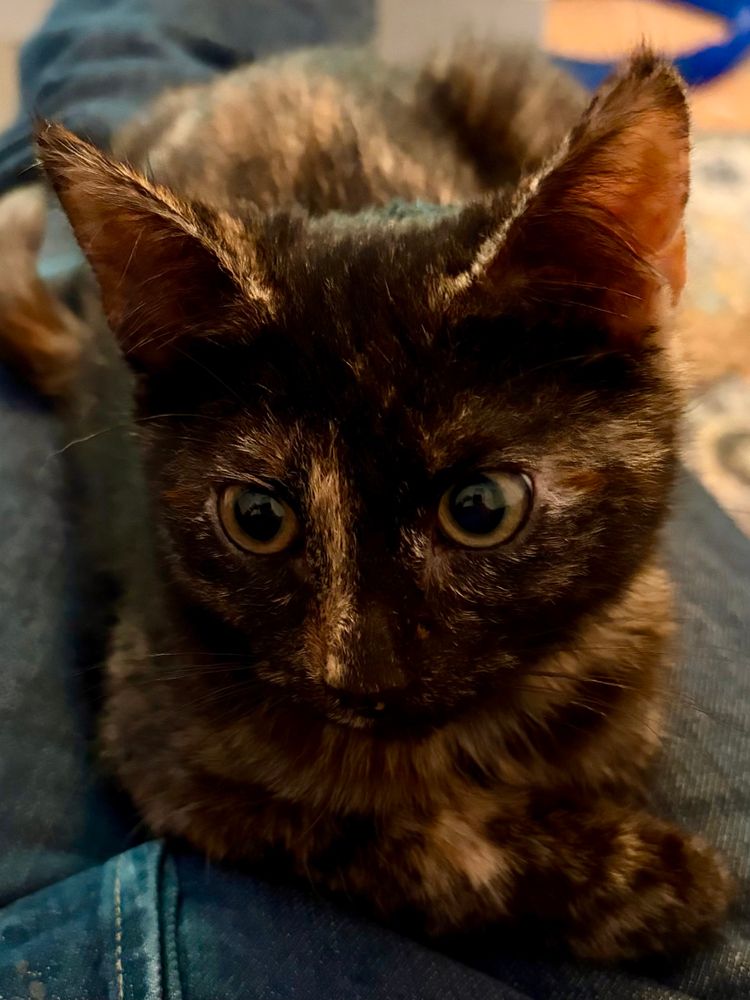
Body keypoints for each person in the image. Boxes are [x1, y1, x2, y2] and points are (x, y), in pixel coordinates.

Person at [0, 2, 748, 996]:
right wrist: (494, 870)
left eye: (480, 511)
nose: (351, 666)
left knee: (134, 59)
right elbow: (168, 768)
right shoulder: (225, 685)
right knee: (128, 102)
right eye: (259, 520)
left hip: (403, 176)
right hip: (233, 220)